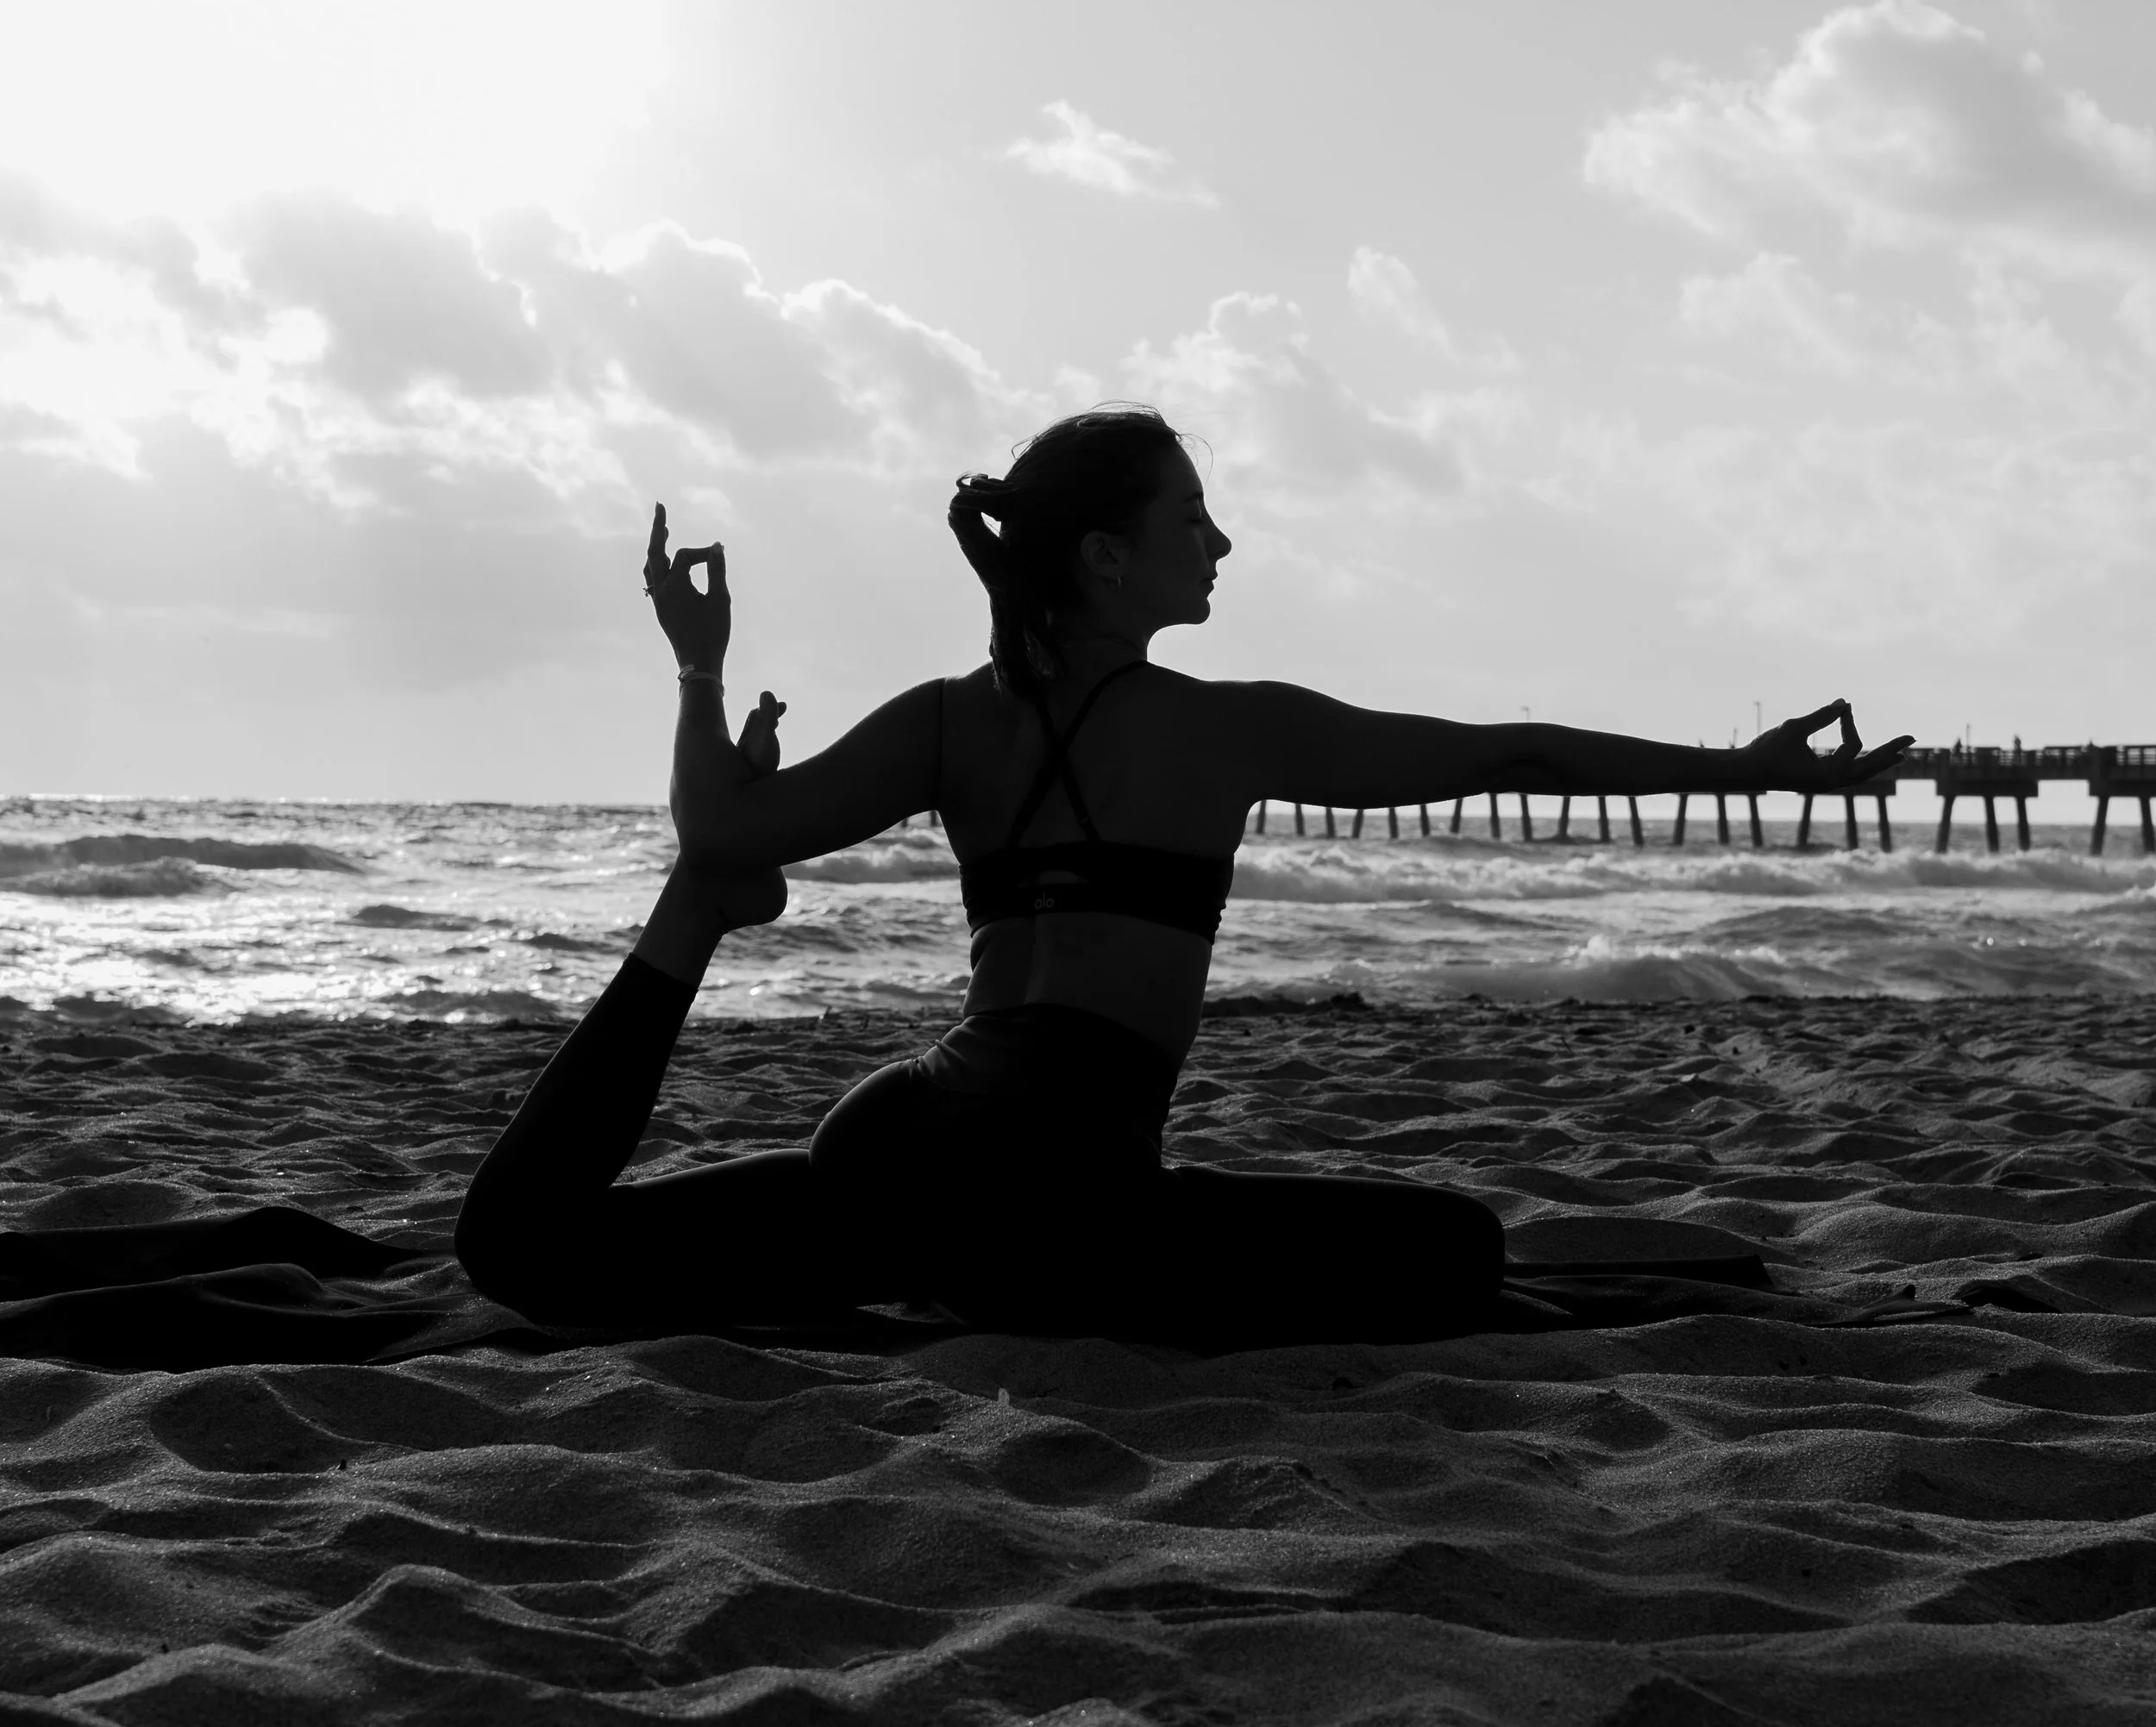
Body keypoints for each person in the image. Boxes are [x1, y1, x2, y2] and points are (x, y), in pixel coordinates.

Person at [454, 404, 1908, 1348]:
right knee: (1455, 1246)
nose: (1220, 541)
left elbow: (718, 827)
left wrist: (700, 669)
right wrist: (1745, 768)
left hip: (894, 1155)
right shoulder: (1221, 728)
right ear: (1102, 558)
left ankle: (689, 941)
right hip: (1057, 1211)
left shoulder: (949, 720)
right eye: (1190, 519)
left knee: (527, 1246)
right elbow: (1502, 751)